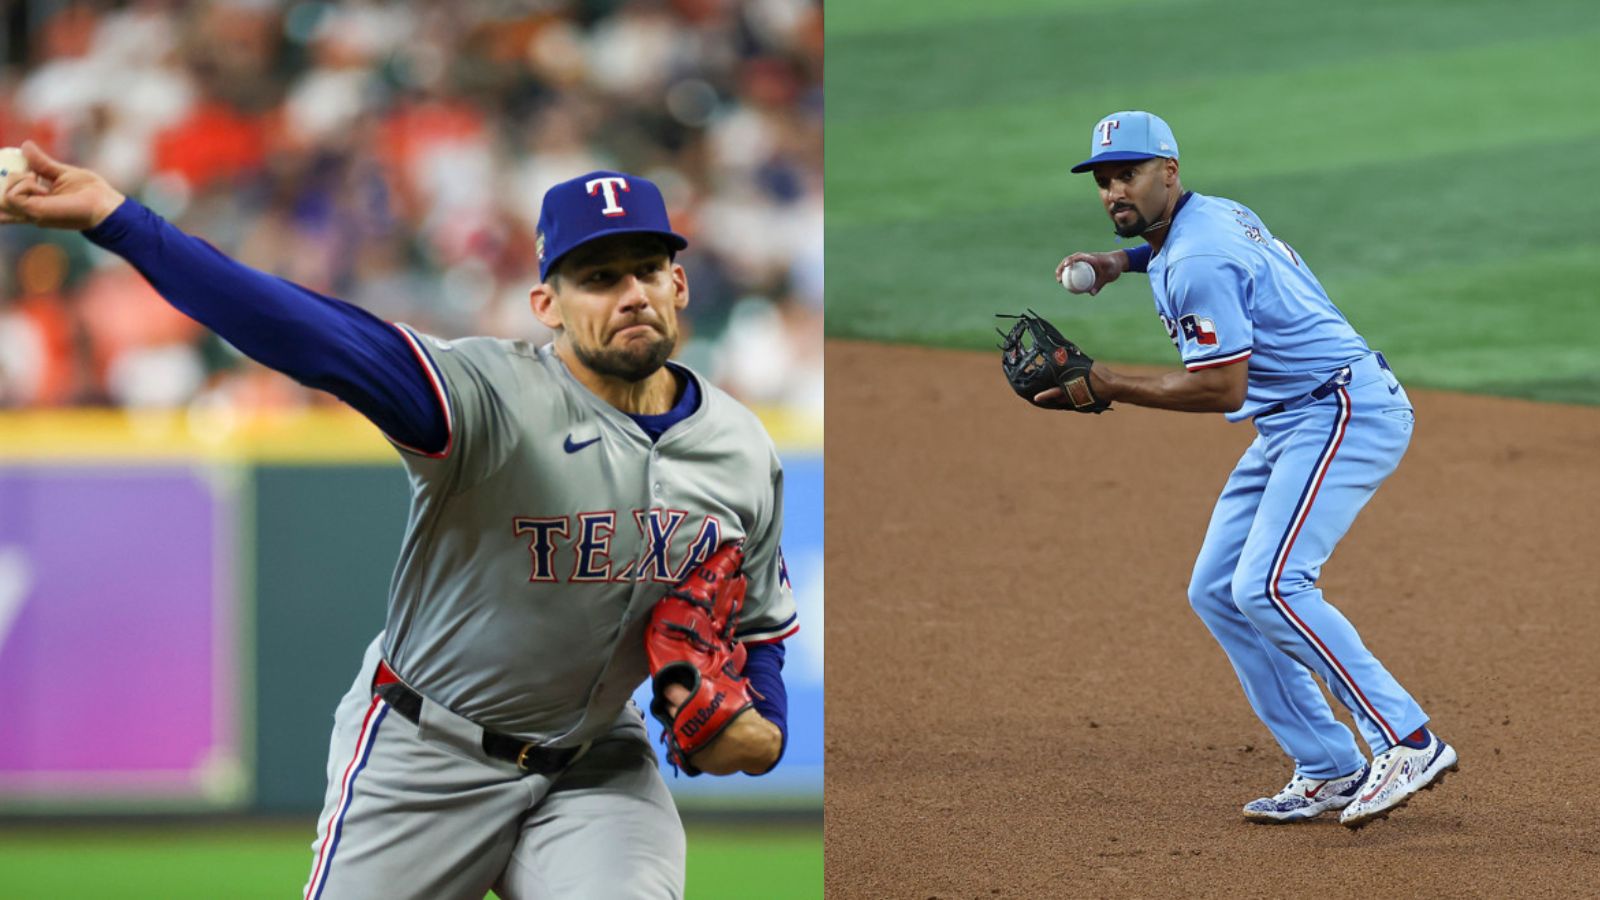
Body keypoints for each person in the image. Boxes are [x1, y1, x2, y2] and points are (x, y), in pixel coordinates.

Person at [1, 142, 800, 896]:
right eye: (597, 277)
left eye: (647, 270)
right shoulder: (487, 399)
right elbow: (299, 331)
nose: (630, 294)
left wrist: (761, 736)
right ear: (546, 304)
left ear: (680, 285)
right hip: (428, 753)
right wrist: (118, 218)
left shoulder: (739, 449)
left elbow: (759, 632)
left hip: (596, 767)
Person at [1044, 112, 1456, 829]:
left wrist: (1108, 383)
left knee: (1271, 583)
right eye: (1105, 180)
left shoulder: (1199, 261)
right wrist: (1121, 262)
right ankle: (1329, 765)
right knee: (1218, 591)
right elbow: (1176, 250)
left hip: (1339, 413)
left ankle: (1408, 740)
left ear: (1168, 171)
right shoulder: (1212, 214)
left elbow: (1221, 390)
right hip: (1293, 422)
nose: (1115, 191)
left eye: (1130, 175)